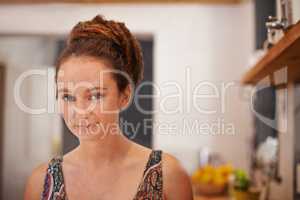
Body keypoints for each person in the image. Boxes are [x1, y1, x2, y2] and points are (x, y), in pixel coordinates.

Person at [24, 14, 193, 200]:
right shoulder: (40, 182)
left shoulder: (169, 176)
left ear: (125, 96)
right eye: (68, 96)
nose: (79, 110)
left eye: (95, 95)